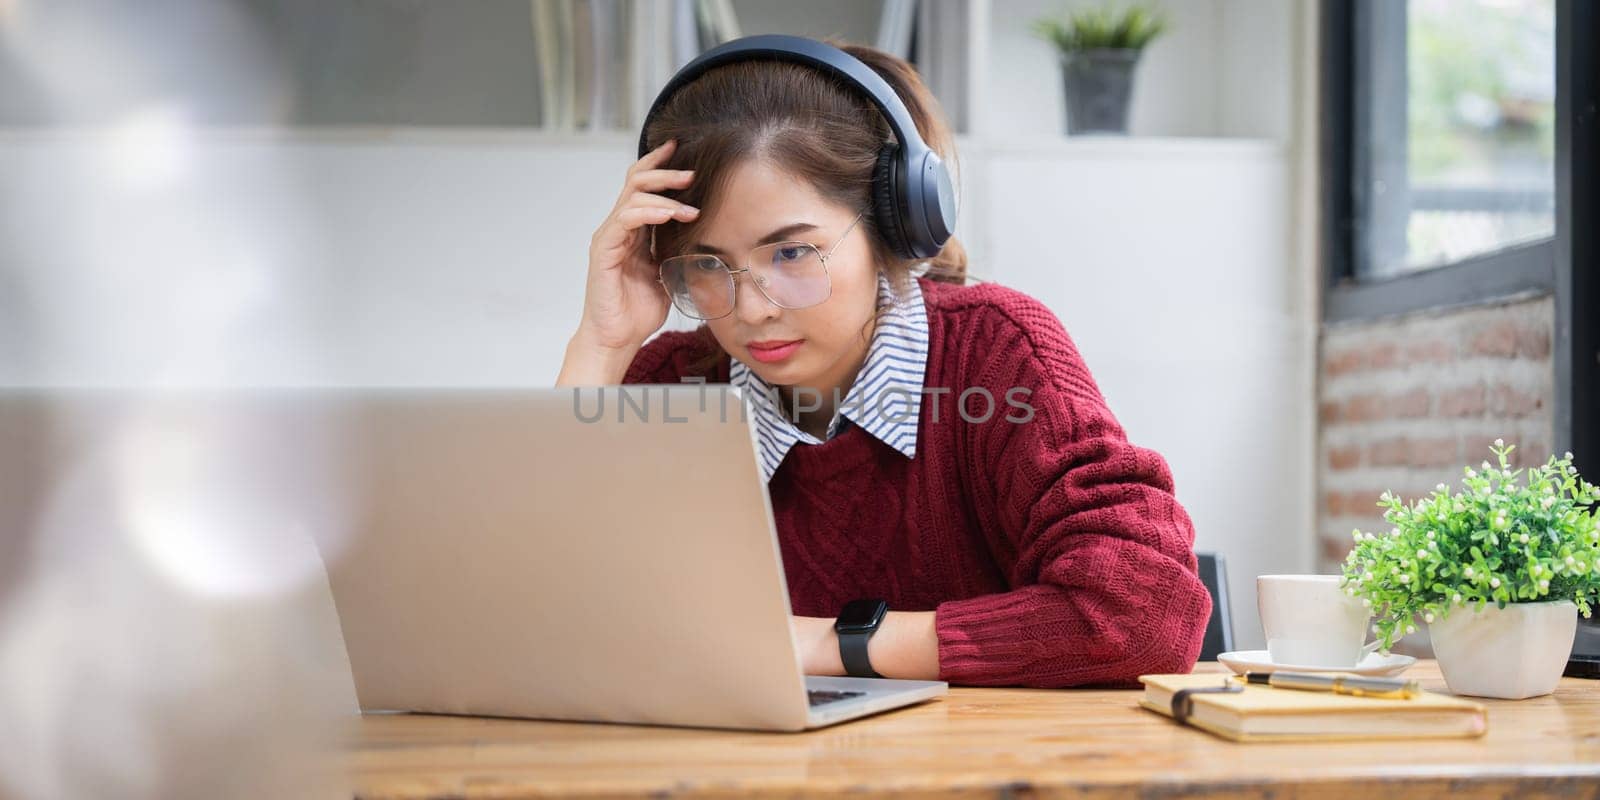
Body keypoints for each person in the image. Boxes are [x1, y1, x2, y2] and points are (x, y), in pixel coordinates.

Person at [555, 37, 1212, 689]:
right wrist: (602, 342)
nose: (751, 310)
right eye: (708, 264)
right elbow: (540, 614)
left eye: (791, 254)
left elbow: (1145, 616)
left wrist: (823, 643)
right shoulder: (673, 383)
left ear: (891, 227)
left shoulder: (996, 352)